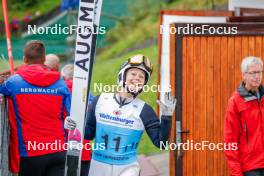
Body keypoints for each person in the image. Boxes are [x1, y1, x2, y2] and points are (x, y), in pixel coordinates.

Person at [65, 54, 177, 176]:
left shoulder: (145, 110)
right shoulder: (100, 100)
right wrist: (73, 125)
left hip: (128, 169)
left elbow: (161, 143)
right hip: (98, 166)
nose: (137, 78)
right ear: (122, 76)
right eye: (133, 74)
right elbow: (88, 134)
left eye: (142, 76)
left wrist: (167, 117)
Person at [0, 40, 71, 176]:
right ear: (44, 59)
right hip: (58, 150)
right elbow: (69, 113)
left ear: (24, 59)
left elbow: (2, 87)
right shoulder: (61, 83)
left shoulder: (14, 82)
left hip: (31, 152)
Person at [224, 56, 264, 176]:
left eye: (259, 72)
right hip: (250, 168)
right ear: (244, 75)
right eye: (252, 73)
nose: (257, 76)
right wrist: (236, 173)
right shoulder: (235, 102)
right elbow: (230, 141)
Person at [61, 64, 93, 176]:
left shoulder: (58, 90)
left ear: (64, 77)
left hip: (62, 145)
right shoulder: (87, 92)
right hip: (84, 146)